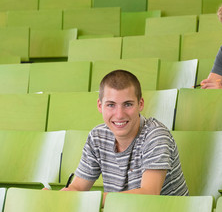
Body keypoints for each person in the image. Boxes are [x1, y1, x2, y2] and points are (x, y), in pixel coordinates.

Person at [62, 70, 189, 203]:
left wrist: (89, 199)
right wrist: (56, 197)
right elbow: (77, 188)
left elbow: (149, 194)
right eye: (111, 105)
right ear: (100, 106)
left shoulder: (156, 135)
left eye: (127, 104)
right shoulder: (97, 136)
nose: (119, 115)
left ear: (140, 104)